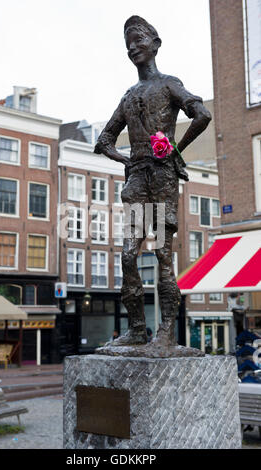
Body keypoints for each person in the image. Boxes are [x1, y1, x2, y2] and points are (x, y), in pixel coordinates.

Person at [94, 16, 211, 349]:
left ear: (156, 43)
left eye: (138, 39)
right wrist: (127, 160)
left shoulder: (169, 84)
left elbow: (202, 115)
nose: (133, 47)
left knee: (162, 255)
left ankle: (166, 332)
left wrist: (175, 148)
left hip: (161, 179)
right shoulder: (129, 96)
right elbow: (104, 140)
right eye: (128, 43)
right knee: (129, 256)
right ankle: (135, 329)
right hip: (138, 181)